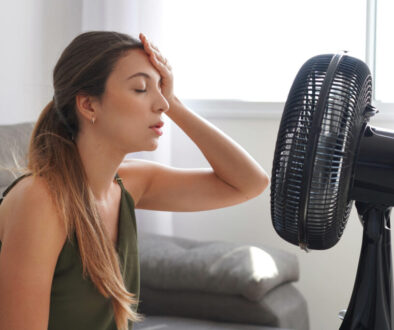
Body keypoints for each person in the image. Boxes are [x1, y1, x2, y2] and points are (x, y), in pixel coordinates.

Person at [0, 31, 270, 330]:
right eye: (141, 89)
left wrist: (176, 102)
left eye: (162, 90)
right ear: (89, 105)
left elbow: (249, 183)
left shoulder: (130, 183)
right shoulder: (41, 200)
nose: (162, 105)